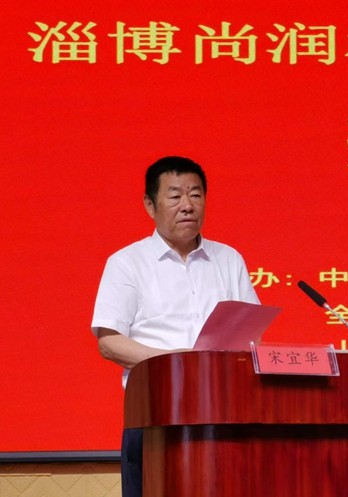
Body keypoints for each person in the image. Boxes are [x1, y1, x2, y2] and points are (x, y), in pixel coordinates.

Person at [91, 156, 260, 497]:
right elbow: (109, 342)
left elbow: (251, 333)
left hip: (222, 414)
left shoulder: (229, 259)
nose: (187, 205)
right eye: (175, 196)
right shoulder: (127, 263)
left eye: (196, 195)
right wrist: (177, 362)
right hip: (155, 415)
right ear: (149, 205)